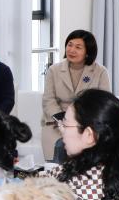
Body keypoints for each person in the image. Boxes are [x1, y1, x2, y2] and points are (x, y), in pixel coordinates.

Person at [41, 29, 111, 163]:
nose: (72, 50)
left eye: (78, 47)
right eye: (70, 45)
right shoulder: (54, 70)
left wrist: (80, 123)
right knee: (57, 159)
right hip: (57, 124)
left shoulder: (100, 72)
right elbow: (48, 100)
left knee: (86, 163)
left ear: (88, 52)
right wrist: (64, 121)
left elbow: (104, 102)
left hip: (89, 125)